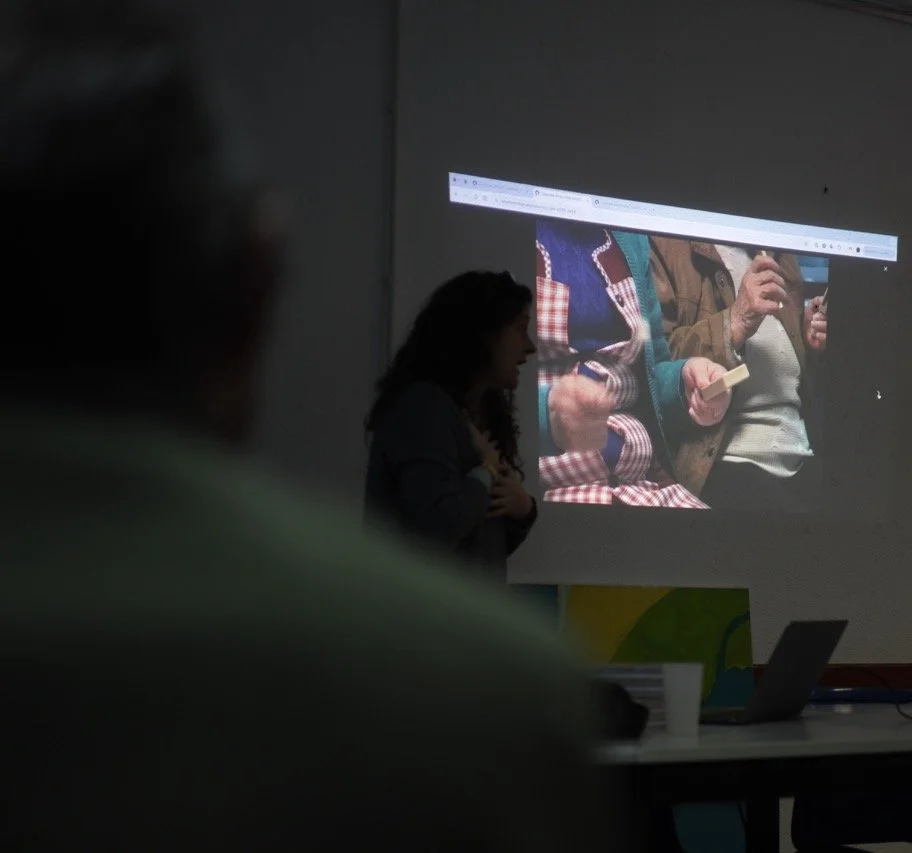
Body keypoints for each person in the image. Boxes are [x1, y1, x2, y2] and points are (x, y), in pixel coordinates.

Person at [0, 2, 616, 851]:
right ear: (258, 285)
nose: (532, 348)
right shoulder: (495, 686)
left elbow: (479, 532)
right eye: (519, 333)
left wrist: (521, 504)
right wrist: (483, 483)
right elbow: (433, 524)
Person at [535, 220, 731, 507]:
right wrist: (547, 415)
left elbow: (651, 375)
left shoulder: (630, 238)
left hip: (641, 485)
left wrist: (683, 382)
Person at [364, 271, 539, 579]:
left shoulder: (475, 414)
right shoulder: (423, 408)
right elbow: (437, 529)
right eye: (520, 329)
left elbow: (478, 545)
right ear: (483, 334)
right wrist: (486, 471)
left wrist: (524, 510)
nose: (530, 347)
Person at [651, 237, 828, 511]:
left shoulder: (781, 254)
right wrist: (735, 320)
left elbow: (787, 379)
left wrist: (807, 342)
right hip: (724, 463)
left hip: (802, 457)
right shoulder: (668, 244)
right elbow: (654, 367)